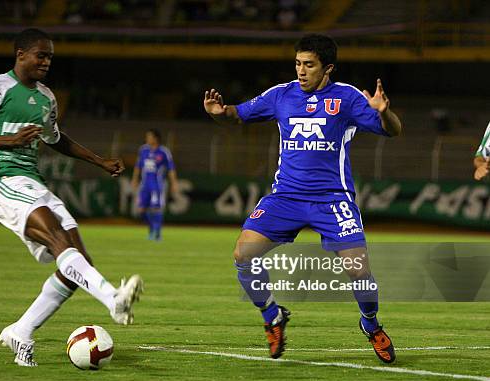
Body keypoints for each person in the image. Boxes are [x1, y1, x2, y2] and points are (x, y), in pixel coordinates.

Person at [203, 34, 402, 363]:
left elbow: (393, 130)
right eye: (298, 63)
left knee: (359, 270)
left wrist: (384, 112)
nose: (301, 70)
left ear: (328, 69)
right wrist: (217, 113)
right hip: (287, 197)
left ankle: (371, 325)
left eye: (309, 64)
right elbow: (235, 115)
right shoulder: (281, 95)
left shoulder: (347, 98)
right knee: (243, 254)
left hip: (332, 199)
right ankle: (272, 317)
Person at [0, 28, 143, 367]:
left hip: (33, 183)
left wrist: (98, 160)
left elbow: (56, 138)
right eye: (40, 55)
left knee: (78, 262)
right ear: (20, 54)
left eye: (50, 57)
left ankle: (21, 331)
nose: (46, 61)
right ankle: (114, 298)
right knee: (59, 241)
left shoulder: (46, 98)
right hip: (1, 180)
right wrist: (7, 142)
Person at [131, 129, 178, 240]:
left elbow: (171, 168)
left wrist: (174, 183)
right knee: (141, 210)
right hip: (144, 185)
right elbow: (138, 166)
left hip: (157, 185)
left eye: (149, 137)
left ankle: (157, 233)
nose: (147, 139)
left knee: (156, 208)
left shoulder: (163, 152)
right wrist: (134, 179)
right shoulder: (143, 150)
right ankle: (152, 228)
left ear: (156, 138)